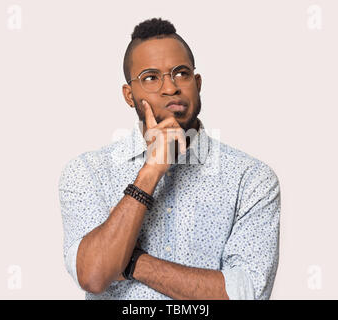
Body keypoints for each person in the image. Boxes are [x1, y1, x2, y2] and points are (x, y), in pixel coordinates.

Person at [59, 17, 281, 300]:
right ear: (129, 95)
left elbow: (246, 294)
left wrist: (133, 263)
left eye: (181, 73)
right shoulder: (87, 171)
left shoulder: (250, 178)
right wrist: (151, 170)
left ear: (197, 82)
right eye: (151, 77)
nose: (170, 88)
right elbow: (93, 274)